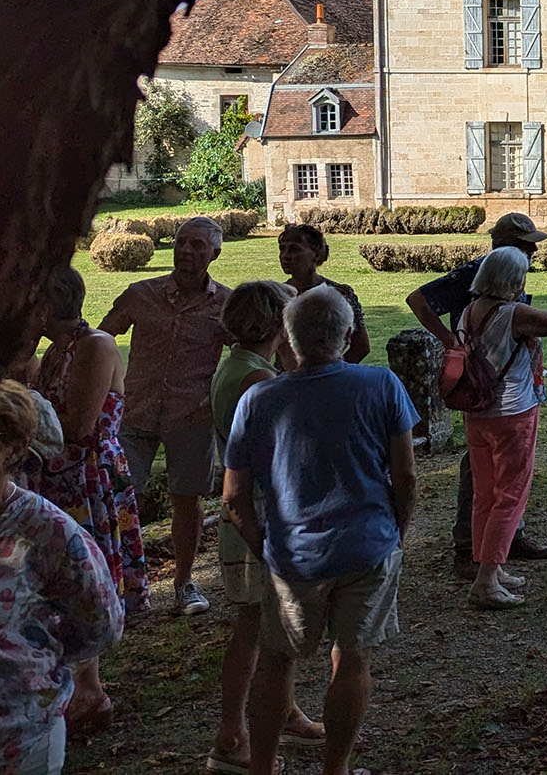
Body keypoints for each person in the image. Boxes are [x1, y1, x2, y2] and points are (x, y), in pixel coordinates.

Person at [223, 287, 418, 775]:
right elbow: (406, 475)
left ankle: (262, 766)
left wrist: (263, 543)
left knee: (277, 661)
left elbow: (233, 495)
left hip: (293, 555)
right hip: (367, 544)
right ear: (348, 334)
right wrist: (396, 532)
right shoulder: (381, 385)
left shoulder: (259, 398)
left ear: (289, 339)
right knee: (352, 660)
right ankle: (337, 769)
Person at [207, 280, 324, 770]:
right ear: (278, 324)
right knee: (255, 629)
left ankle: (284, 711)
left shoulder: (238, 367)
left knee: (271, 626)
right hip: (256, 514)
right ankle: (232, 736)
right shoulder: (258, 381)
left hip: (249, 512)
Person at [0, 379, 125, 775]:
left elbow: (100, 623)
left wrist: (33, 659)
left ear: (15, 448)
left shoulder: (46, 530)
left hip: (18, 740)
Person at [28, 267, 145, 739]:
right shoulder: (52, 352)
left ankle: (91, 693)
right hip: (58, 477)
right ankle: (72, 687)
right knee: (58, 578)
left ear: (44, 307)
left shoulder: (95, 345)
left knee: (85, 574)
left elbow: (76, 427)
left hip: (87, 478)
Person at [404, 212, 547, 574]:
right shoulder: (479, 272)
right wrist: (450, 341)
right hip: (483, 387)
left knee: (499, 471)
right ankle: (468, 548)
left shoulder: (509, 271)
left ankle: (506, 539)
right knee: (481, 470)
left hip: (505, 386)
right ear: (509, 246)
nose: (534, 250)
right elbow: (418, 300)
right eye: (528, 244)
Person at [98, 215, 230, 617]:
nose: (187, 251)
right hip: (135, 413)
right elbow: (100, 339)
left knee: (187, 501)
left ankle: (184, 583)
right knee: (118, 497)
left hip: (191, 417)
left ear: (215, 254)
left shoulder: (225, 304)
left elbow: (250, 351)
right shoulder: (141, 294)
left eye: (198, 246)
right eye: (182, 243)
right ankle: (115, 583)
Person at [456, 247, 547, 609]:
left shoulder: (470, 311)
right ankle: (485, 582)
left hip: (477, 413)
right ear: (514, 279)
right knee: (510, 495)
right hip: (511, 413)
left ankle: (491, 569)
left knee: (486, 495)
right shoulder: (512, 313)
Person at [278, 224, 369, 364]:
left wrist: (332, 372)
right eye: (282, 249)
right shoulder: (276, 296)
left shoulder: (340, 294)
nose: (285, 256)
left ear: (316, 254)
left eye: (294, 249)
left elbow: (361, 346)